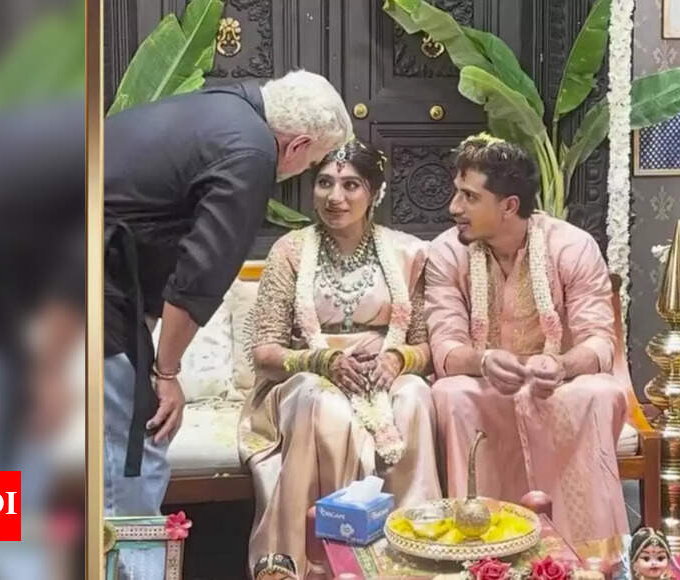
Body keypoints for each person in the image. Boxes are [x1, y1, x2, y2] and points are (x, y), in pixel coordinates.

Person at [103, 69, 353, 519]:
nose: (302, 172)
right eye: (313, 163)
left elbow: (152, 235)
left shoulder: (219, 105)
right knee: (137, 443)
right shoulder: (251, 152)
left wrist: (149, 338)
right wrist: (166, 373)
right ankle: (131, 554)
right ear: (297, 146)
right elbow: (200, 274)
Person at [238, 141, 442, 576]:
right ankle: (322, 561)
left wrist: (396, 358)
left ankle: (410, 555)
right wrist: (323, 362)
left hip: (382, 374)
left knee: (414, 398)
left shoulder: (408, 253)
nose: (335, 197)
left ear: (375, 193)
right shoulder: (290, 251)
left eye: (351, 185)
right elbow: (265, 353)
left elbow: (427, 348)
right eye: (325, 183)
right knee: (324, 404)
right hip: (304, 379)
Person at [425, 134, 629, 564]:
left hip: (558, 387)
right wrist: (482, 360)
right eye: (457, 193)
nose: (454, 207)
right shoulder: (446, 253)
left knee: (600, 392)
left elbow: (599, 342)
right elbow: (444, 347)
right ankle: (481, 554)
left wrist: (561, 365)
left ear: (509, 205)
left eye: (469, 197)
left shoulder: (571, 246)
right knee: (450, 394)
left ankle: (586, 558)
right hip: (484, 387)